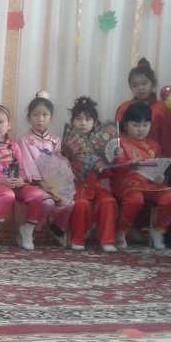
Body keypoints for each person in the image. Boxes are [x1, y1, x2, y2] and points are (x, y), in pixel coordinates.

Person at [0, 105, 45, 251]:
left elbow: (22, 169)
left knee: (37, 195)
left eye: (1, 122)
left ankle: (26, 232)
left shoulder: (14, 145)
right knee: (7, 196)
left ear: (9, 125)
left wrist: (21, 179)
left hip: (15, 183)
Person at [110, 104, 171, 250]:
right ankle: (121, 232)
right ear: (125, 125)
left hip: (151, 184)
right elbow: (114, 167)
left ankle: (158, 230)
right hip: (126, 183)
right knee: (135, 199)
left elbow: (158, 167)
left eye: (145, 125)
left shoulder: (154, 145)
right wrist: (128, 164)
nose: (141, 129)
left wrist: (160, 177)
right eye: (136, 125)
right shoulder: (119, 142)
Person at [62, 97, 118, 252]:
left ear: (95, 122)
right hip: (75, 185)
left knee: (108, 201)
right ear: (72, 121)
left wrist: (113, 156)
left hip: (96, 184)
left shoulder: (101, 144)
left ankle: (107, 240)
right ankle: (77, 238)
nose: (83, 123)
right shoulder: (67, 142)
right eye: (78, 119)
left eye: (88, 119)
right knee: (81, 204)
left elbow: (107, 173)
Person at [18, 93, 74, 246]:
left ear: (51, 117)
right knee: (47, 203)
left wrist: (59, 175)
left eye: (45, 115)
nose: (40, 119)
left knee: (69, 202)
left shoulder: (55, 140)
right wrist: (41, 182)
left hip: (52, 183)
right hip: (34, 183)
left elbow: (58, 164)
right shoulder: (25, 139)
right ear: (29, 117)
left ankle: (57, 227)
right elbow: (27, 163)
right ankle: (33, 229)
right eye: (35, 114)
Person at [116, 58, 171, 157]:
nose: (140, 88)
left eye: (144, 83)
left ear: (153, 83)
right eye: (135, 85)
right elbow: (117, 136)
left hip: (154, 157)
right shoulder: (124, 108)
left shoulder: (162, 110)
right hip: (127, 158)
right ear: (131, 87)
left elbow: (167, 140)